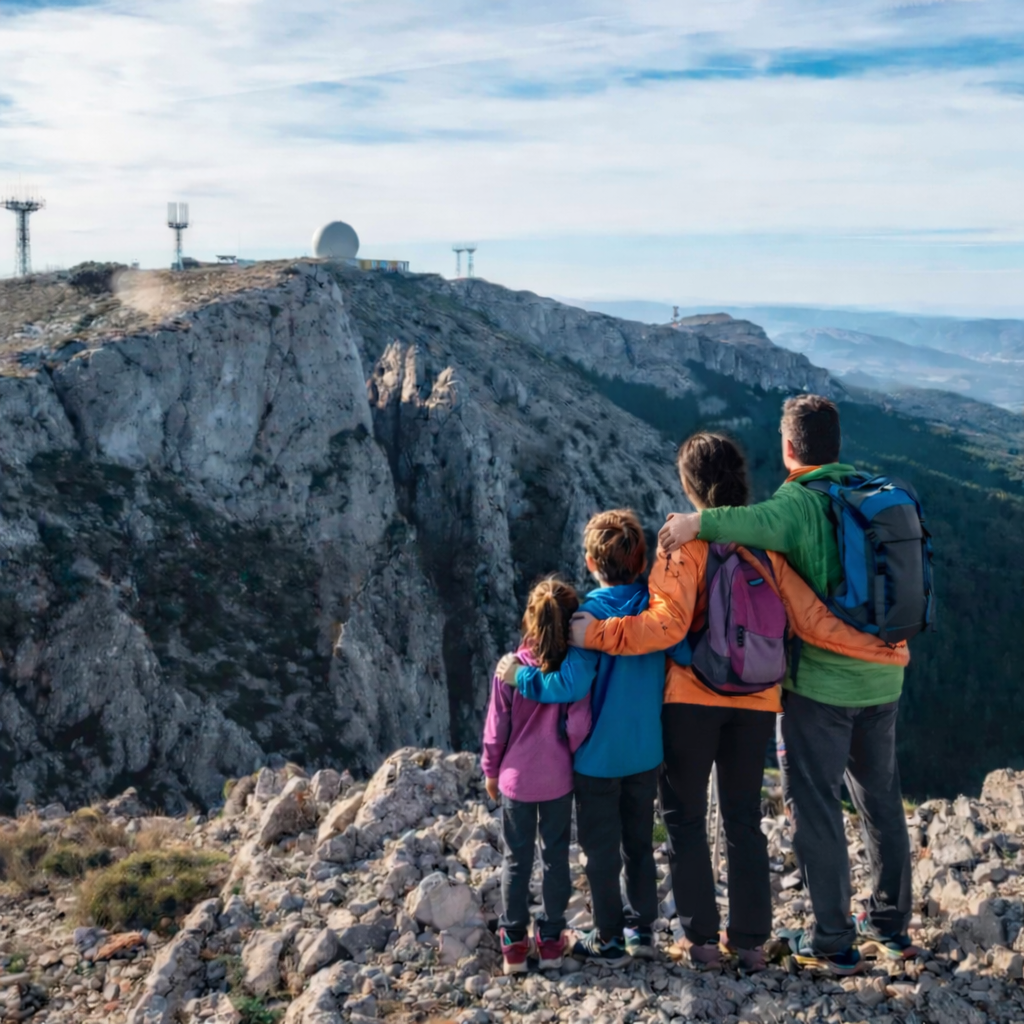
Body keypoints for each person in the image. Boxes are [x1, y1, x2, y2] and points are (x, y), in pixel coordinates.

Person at [571, 432, 908, 974]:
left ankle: (702, 941)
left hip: (691, 702)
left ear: (688, 483)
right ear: (740, 478)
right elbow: (811, 620)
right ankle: (751, 943)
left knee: (683, 818)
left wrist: (597, 635)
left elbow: (664, 627)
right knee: (744, 819)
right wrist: (885, 647)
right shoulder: (767, 543)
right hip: (757, 700)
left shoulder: (682, 544)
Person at [658, 396, 919, 974]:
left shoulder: (797, 503)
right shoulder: (865, 488)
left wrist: (692, 523)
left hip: (823, 687)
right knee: (881, 799)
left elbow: (744, 521)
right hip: (885, 675)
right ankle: (892, 928)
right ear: (835, 442)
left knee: (816, 805)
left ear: (788, 448)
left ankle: (833, 939)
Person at [496, 509, 667, 966]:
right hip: (647, 750)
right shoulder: (657, 607)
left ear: (591, 563)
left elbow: (568, 687)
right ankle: (642, 931)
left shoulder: (587, 617)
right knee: (639, 844)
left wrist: (520, 678)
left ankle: (609, 937)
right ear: (641, 559)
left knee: (600, 850)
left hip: (596, 761)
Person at [482, 577, 592, 975]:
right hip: (559, 780)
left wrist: (491, 771)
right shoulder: (571, 675)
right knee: (556, 858)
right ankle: (550, 942)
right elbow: (579, 726)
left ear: (530, 619)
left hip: (516, 781)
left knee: (516, 860)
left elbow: (496, 728)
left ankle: (513, 945)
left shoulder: (509, 669)